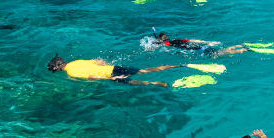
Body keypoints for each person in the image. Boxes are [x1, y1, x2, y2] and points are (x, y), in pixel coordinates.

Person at [47, 56, 182, 87]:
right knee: (144, 70)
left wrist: (108, 79)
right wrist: (107, 66)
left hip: (110, 75)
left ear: (58, 68)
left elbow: (92, 76)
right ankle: (176, 65)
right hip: (112, 68)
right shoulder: (77, 61)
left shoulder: (71, 73)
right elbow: (98, 61)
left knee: (134, 82)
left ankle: (156, 84)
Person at [150, 32, 248, 56]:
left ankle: (241, 50)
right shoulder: (178, 39)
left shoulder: (166, 44)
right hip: (199, 46)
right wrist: (208, 42)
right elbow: (195, 40)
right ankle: (237, 46)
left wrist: (153, 45)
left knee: (217, 55)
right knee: (217, 52)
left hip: (198, 50)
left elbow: (155, 47)